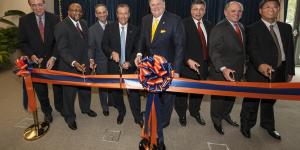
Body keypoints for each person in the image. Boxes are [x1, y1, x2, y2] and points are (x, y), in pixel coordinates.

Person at [240, 0, 295, 140]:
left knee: (270, 101)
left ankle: (268, 125)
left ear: (278, 10)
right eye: (268, 7)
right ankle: (246, 126)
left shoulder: (286, 28)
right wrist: (260, 65)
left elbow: (289, 51)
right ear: (260, 10)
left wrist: (290, 71)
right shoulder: (252, 28)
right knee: (251, 102)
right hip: (258, 72)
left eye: (275, 7)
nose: (272, 9)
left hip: (279, 71)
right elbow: (252, 50)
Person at [135, 0, 184, 148]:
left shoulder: (175, 20)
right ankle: (151, 127)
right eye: (152, 4)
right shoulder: (145, 19)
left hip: (167, 70)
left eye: (158, 4)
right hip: (150, 70)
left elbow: (180, 46)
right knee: (152, 97)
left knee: (167, 99)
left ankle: (162, 123)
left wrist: (176, 70)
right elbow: (142, 39)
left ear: (164, 4)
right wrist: (138, 54)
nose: (155, 7)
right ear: (149, 6)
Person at [18, 0, 63, 123]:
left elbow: (59, 41)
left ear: (44, 4)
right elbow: (22, 42)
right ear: (30, 6)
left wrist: (53, 57)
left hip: (53, 59)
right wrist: (31, 55)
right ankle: (47, 112)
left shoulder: (55, 18)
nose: (37, 8)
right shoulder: (24, 20)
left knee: (58, 87)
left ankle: (60, 107)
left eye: (40, 4)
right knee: (41, 90)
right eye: (34, 5)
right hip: (35, 61)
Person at [54, 2, 97, 130]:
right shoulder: (61, 26)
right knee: (69, 94)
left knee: (85, 90)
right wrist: (74, 63)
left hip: (84, 65)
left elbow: (87, 45)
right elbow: (62, 49)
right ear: (68, 12)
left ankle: (85, 109)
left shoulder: (84, 23)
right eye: (74, 10)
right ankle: (70, 117)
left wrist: (90, 59)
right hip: (69, 66)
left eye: (79, 10)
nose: (77, 12)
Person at [102, 4, 143, 127]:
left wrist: (130, 62)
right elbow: (104, 45)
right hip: (114, 67)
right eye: (120, 13)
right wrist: (111, 53)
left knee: (134, 94)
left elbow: (138, 49)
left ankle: (137, 115)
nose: (123, 16)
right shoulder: (109, 28)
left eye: (126, 13)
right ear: (117, 14)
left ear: (129, 14)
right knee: (116, 93)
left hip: (130, 67)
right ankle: (122, 111)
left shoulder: (135, 29)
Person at [209, 1, 246, 135]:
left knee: (231, 97)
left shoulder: (241, 26)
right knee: (219, 99)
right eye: (233, 11)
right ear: (225, 12)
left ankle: (226, 115)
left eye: (239, 11)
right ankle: (216, 120)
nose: (236, 14)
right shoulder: (219, 28)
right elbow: (214, 51)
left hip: (237, 71)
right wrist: (223, 68)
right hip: (222, 71)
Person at [175, 0, 213, 127]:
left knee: (198, 93)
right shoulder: (183, 24)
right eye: (195, 9)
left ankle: (195, 111)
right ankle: (181, 114)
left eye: (201, 9)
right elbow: (179, 46)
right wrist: (187, 60)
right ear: (191, 10)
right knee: (182, 94)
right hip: (186, 66)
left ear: (205, 10)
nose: (198, 12)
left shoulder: (209, 24)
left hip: (203, 67)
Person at [88, 4, 112, 117]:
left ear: (107, 12)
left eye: (104, 12)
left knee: (114, 83)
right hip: (101, 62)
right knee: (103, 86)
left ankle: (112, 101)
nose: (102, 14)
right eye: (99, 12)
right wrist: (91, 59)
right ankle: (105, 106)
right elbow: (91, 47)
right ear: (96, 15)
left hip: (114, 62)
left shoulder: (114, 25)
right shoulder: (92, 29)